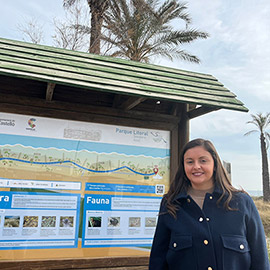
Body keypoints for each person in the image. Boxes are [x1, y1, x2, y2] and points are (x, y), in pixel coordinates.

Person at [149, 138, 270, 270]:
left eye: (203, 160)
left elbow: (260, 261)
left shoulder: (242, 203)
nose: (196, 166)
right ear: (183, 167)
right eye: (190, 162)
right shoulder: (171, 204)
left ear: (215, 164)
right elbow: (158, 260)